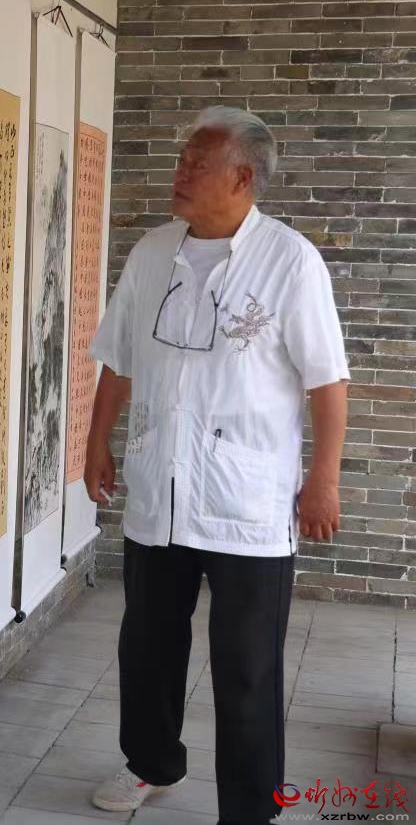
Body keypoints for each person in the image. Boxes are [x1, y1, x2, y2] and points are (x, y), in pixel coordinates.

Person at [84, 106, 349, 825]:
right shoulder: (152, 252)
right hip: (159, 492)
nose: (179, 173)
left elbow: (328, 382)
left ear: (242, 178)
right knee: (147, 648)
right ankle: (151, 762)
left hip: (248, 504)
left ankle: (251, 809)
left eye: (195, 164)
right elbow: (119, 359)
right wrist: (96, 441)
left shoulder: (290, 261)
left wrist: (323, 480)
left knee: (247, 668)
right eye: (182, 160)